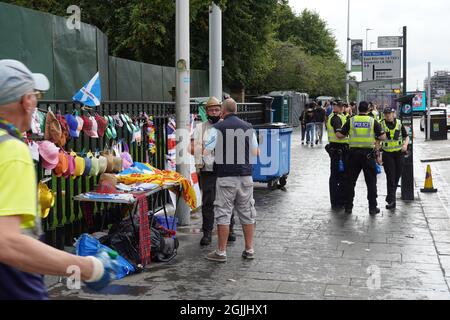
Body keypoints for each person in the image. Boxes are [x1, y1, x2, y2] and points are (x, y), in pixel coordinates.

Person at [0, 59, 113, 299]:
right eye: (34, 95)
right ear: (25, 101)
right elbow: (8, 243)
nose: (35, 101)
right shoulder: (10, 150)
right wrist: (88, 268)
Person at [204, 98, 259, 262]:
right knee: (247, 213)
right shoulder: (248, 127)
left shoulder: (218, 128)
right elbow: (256, 152)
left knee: (223, 213)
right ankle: (249, 249)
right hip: (246, 177)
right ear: (236, 110)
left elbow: (207, 150)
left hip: (226, 177)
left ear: (223, 111)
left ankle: (221, 252)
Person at [190, 97, 236, 246]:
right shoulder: (200, 128)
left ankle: (231, 229)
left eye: (217, 109)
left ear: (221, 111)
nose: (214, 112)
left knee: (228, 200)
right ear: (207, 111)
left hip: (225, 169)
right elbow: (192, 147)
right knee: (208, 202)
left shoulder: (228, 125)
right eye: (211, 110)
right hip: (208, 169)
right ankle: (207, 233)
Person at [336, 101, 386, 215]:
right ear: (368, 109)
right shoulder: (372, 121)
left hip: (353, 155)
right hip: (368, 156)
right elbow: (382, 137)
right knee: (371, 183)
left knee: (350, 182)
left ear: (358, 109)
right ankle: (372, 208)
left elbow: (340, 136)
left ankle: (348, 207)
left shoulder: (351, 120)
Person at [379, 107, 409, 210]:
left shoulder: (399, 123)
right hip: (387, 154)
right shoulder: (381, 124)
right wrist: (378, 155)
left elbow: (406, 136)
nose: (388, 115)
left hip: (399, 153)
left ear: (393, 113)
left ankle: (390, 196)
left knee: (397, 177)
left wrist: (405, 145)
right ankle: (392, 201)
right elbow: (377, 140)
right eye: (386, 113)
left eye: (390, 113)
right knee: (390, 177)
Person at [325, 102, 349, 210]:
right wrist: (350, 134)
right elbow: (339, 135)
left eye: (343, 106)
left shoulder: (340, 117)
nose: (343, 108)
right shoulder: (336, 118)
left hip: (337, 149)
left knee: (338, 175)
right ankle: (337, 201)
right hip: (339, 150)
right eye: (341, 106)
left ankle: (338, 200)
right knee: (338, 176)